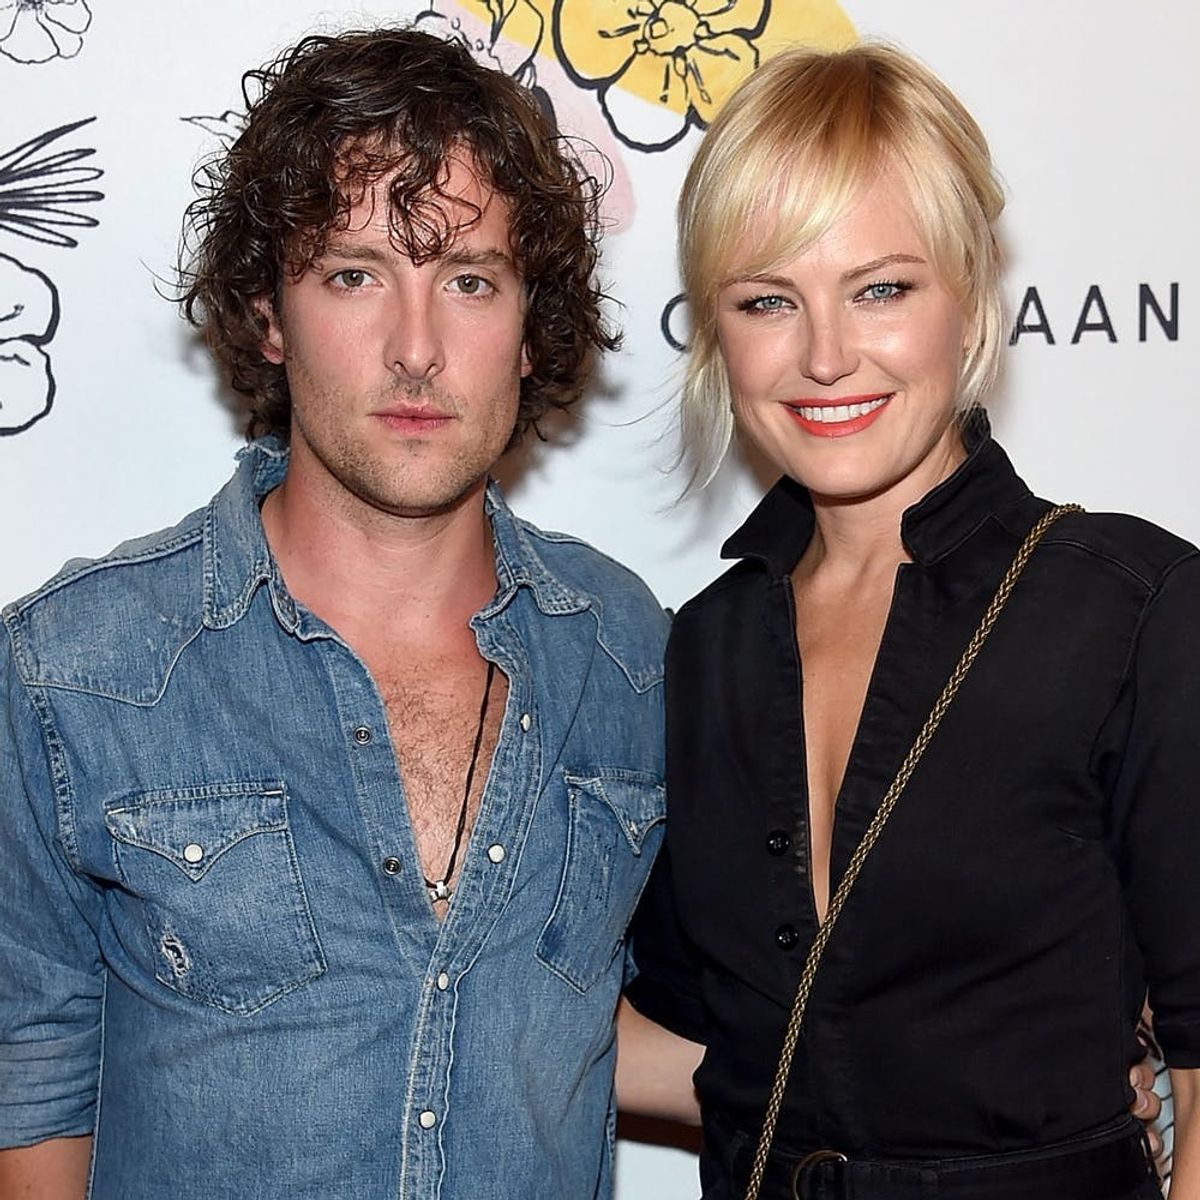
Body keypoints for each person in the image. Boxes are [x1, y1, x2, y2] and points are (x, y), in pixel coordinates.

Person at [0, 29, 669, 1199]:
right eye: (355, 275)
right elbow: (31, 1094)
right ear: (269, 313)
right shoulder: (75, 669)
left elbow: (653, 1019)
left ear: (528, 330)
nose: (417, 350)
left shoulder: (629, 653)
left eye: (469, 281)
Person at [623, 42, 1195, 1200]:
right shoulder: (702, 650)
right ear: (716, 330)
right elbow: (717, 1051)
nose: (826, 355)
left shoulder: (1133, 612)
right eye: (768, 301)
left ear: (969, 295)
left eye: (881, 289)